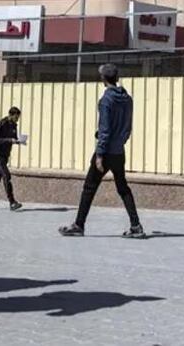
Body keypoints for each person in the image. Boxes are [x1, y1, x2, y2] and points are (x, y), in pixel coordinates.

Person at [59, 64, 145, 239]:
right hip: (119, 151)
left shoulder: (106, 100)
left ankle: (79, 224)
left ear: (103, 79)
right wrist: (120, 142)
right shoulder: (128, 99)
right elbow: (127, 127)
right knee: (123, 188)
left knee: (89, 187)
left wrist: (100, 154)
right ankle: (135, 225)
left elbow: (104, 129)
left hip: (105, 151)